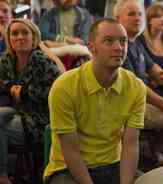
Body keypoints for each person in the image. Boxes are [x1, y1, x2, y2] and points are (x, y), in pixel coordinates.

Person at [43, 18, 147, 184]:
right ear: (92, 48)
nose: (118, 47)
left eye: (123, 41)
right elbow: (70, 151)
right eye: (108, 41)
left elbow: (130, 144)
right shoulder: (64, 86)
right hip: (68, 169)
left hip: (114, 164)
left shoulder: (136, 87)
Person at [113, 0, 163, 145]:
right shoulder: (119, 46)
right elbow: (136, 86)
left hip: (144, 98)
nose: (138, 18)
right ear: (117, 19)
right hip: (130, 105)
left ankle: (157, 151)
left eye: (140, 14)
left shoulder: (135, 42)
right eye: (131, 14)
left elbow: (157, 72)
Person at [0, 18, 61, 184]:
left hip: (40, 120)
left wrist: (25, 93)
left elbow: (58, 94)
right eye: (14, 33)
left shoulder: (43, 61)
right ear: (9, 39)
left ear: (34, 37)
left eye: (25, 33)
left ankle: (3, 175)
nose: (20, 37)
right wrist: (10, 88)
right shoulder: (6, 60)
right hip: (16, 112)